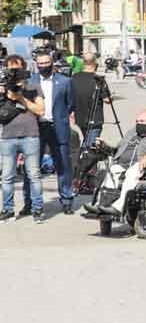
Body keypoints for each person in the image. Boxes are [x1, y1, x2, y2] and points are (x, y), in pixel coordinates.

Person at [83, 109, 146, 216]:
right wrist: (104, 146)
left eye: (142, 121)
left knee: (131, 173)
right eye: (137, 121)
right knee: (110, 171)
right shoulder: (132, 132)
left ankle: (118, 207)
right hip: (123, 163)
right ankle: (102, 205)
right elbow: (117, 149)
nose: (138, 124)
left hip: (143, 165)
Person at [27, 50, 76, 214]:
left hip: (58, 127)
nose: (43, 66)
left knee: (63, 165)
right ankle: (30, 203)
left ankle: (67, 200)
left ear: (52, 63)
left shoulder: (65, 81)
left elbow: (70, 104)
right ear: (36, 65)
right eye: (40, 64)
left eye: (46, 63)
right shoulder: (30, 81)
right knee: (33, 167)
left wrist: (60, 117)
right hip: (37, 127)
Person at [0, 55, 45, 222]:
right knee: (7, 176)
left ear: (24, 69)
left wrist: (21, 98)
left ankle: (37, 209)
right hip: (8, 137)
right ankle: (7, 209)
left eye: (18, 70)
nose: (15, 74)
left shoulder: (33, 87)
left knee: (33, 174)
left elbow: (41, 111)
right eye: (11, 70)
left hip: (30, 135)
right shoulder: (3, 87)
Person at [71, 52, 112, 151]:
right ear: (95, 63)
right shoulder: (98, 79)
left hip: (80, 117)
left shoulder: (74, 78)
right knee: (90, 148)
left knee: (87, 141)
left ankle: (84, 160)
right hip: (95, 119)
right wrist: (111, 97)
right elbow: (107, 100)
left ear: (83, 62)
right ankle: (86, 163)